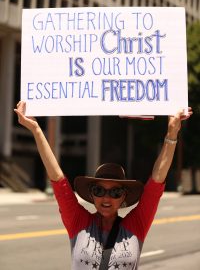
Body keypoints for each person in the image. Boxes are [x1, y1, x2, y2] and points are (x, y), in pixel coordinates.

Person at [14, 101, 192, 269]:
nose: (106, 197)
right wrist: (36, 129)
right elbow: (58, 179)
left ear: (123, 197)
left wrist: (172, 134)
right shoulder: (78, 221)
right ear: (91, 194)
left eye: (115, 192)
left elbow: (156, 181)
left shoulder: (136, 224)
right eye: (99, 190)